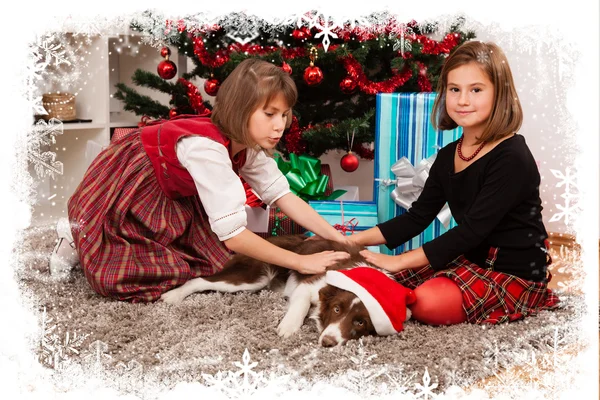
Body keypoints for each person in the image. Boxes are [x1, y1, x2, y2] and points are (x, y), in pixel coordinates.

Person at [49, 58, 350, 302]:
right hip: (135, 181)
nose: (280, 125)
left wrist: (339, 238)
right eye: (270, 114)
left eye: (284, 115)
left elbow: (283, 196)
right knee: (120, 274)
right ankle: (75, 237)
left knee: (209, 264)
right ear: (240, 110)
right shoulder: (207, 149)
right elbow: (233, 234)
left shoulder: (250, 145)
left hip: (173, 189)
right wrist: (299, 262)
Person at [349, 41, 559, 326]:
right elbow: (417, 218)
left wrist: (399, 260)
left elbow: (471, 231)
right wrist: (353, 240)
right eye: (454, 89)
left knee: (425, 303)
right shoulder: (450, 155)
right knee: (373, 280)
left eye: (476, 90)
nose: (462, 100)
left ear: (500, 94)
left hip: (513, 272)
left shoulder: (512, 156)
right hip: (469, 261)